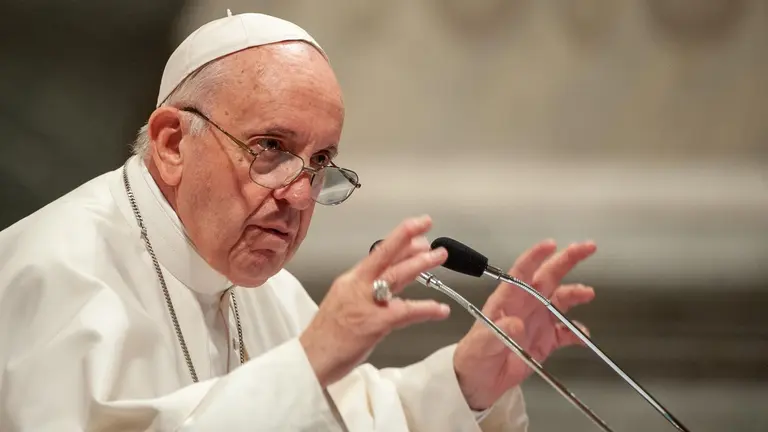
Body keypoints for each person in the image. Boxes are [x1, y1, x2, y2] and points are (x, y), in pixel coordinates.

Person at [0, 12, 597, 431]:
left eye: (320, 164)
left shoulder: (265, 291)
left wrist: (467, 381)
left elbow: (347, 418)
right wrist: (309, 359)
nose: (298, 194)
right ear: (172, 142)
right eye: (269, 147)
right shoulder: (54, 274)